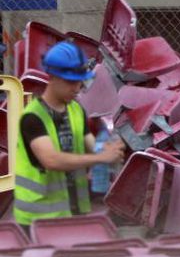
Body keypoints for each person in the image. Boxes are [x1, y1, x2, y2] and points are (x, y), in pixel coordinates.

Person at [13, 41, 124, 226]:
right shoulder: (32, 117)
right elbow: (52, 161)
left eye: (80, 81)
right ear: (52, 77)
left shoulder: (76, 110)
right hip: (37, 219)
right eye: (70, 81)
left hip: (71, 212)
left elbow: (91, 145)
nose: (77, 88)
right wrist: (101, 158)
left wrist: (110, 149)